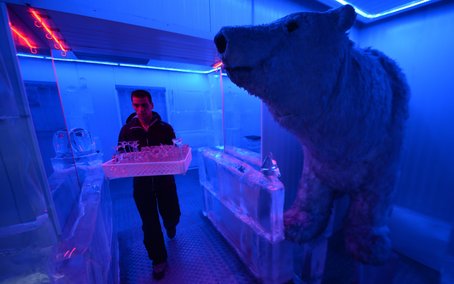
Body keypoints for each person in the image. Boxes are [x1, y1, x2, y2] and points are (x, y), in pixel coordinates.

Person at [118, 89, 181, 280]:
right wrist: (121, 161)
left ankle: (171, 224)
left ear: (152, 105)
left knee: (172, 213)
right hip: (142, 184)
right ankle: (158, 259)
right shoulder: (127, 130)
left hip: (165, 181)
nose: (140, 109)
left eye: (144, 105)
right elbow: (122, 155)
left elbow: (174, 152)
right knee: (149, 223)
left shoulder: (165, 128)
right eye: (136, 105)